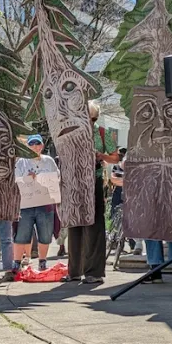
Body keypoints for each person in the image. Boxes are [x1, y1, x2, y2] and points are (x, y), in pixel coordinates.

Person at [63, 101, 119, 285]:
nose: (87, 121)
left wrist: (101, 156)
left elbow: (115, 157)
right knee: (74, 223)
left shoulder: (102, 133)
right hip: (74, 180)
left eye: (90, 118)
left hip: (93, 180)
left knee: (94, 225)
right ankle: (74, 270)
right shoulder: (70, 132)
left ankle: (93, 271)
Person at [13, 134, 60, 272]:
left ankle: (42, 261)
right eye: (32, 144)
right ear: (27, 146)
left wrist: (43, 179)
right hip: (26, 205)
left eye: (38, 144)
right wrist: (27, 179)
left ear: (42, 146)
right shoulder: (21, 162)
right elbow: (16, 181)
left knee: (45, 235)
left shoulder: (49, 161)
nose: (35, 147)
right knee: (21, 234)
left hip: (45, 204)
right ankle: (16, 262)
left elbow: (56, 178)